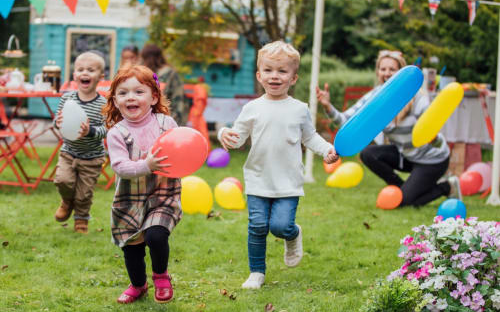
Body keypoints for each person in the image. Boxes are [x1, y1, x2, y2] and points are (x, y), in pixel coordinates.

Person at [219, 41, 338, 290]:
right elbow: (236, 138)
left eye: (282, 71)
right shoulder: (252, 108)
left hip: (288, 180)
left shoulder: (299, 109)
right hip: (258, 177)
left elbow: (310, 137)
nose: (275, 76)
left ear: (293, 78)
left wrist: (327, 149)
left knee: (280, 226)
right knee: (257, 226)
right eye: (269, 70)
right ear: (259, 74)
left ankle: (293, 234)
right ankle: (257, 272)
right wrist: (224, 134)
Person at [316, 50, 461, 207]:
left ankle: (448, 186)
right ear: (378, 72)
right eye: (382, 69)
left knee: (405, 202)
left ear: (401, 72)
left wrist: (434, 140)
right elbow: (347, 122)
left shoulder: (417, 97)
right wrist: (328, 106)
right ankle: (401, 189)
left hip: (432, 159)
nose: (386, 73)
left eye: (392, 69)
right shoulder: (374, 97)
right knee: (368, 154)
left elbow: (431, 127)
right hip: (406, 156)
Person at [103, 65, 182, 304]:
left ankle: (161, 275)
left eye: (139, 91)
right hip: (130, 199)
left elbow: (180, 149)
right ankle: (138, 285)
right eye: (123, 93)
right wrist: (146, 164)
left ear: (154, 97)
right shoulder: (117, 132)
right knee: (132, 248)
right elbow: (120, 166)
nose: (131, 97)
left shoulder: (166, 123)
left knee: (156, 236)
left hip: (163, 193)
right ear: (115, 101)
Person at [53, 52, 108, 233]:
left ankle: (81, 219)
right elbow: (57, 121)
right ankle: (67, 201)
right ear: (74, 75)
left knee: (84, 192)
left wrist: (90, 131)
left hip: (92, 157)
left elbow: (106, 129)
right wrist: (58, 123)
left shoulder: (103, 103)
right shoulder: (66, 99)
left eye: (90, 70)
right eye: (80, 69)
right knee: (62, 180)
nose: (85, 73)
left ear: (100, 77)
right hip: (69, 152)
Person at [140, 44, 190, 126]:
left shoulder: (144, 74)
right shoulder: (170, 73)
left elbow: (178, 100)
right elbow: (179, 101)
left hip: (155, 121)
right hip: (165, 119)